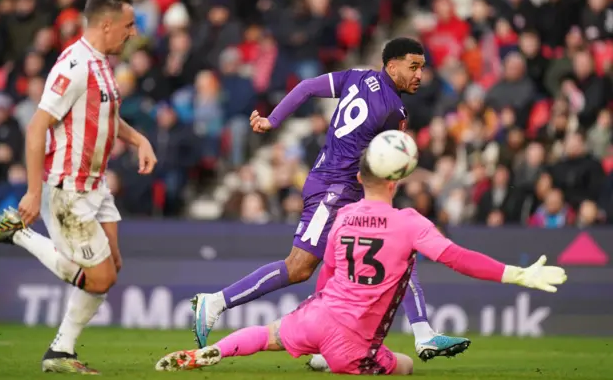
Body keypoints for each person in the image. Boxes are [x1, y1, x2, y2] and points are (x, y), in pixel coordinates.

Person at [159, 143, 567, 374]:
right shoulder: (409, 222)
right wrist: (517, 275)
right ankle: (392, 342)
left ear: (358, 178)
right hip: (354, 340)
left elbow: (329, 275)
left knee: (269, 335)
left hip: (315, 315)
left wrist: (315, 317)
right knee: (405, 367)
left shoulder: (344, 216)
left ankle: (210, 352)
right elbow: (458, 259)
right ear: (398, 179)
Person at [192, 37, 470, 362]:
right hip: (335, 190)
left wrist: (274, 120)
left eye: (422, 67)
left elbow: (308, 87)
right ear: (391, 66)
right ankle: (215, 302)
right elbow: (381, 160)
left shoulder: (356, 76)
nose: (420, 74)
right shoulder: (394, 110)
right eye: (413, 67)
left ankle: (409, 336)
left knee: (384, 254)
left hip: (337, 185)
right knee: (298, 267)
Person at [0, 0, 157, 374]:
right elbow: (36, 127)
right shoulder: (73, 66)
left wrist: (139, 138)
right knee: (100, 277)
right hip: (68, 188)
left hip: (95, 184)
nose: (132, 33)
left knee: (113, 267)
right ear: (106, 25)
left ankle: (61, 352)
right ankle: (20, 234)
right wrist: (33, 190)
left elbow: (106, 118)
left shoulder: (101, 64)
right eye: (128, 26)